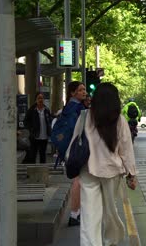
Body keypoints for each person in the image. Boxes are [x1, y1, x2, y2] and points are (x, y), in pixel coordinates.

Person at [79, 82, 137, 245]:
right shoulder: (119, 120)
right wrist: (131, 174)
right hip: (111, 171)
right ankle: (111, 240)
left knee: (89, 214)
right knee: (110, 212)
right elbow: (126, 150)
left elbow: (75, 142)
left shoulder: (85, 117)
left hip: (87, 169)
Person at [55, 81, 87, 226]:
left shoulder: (67, 107)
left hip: (68, 148)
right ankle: (74, 215)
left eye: (84, 89)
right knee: (78, 181)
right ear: (72, 93)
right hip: (76, 148)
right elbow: (79, 130)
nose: (84, 92)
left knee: (77, 180)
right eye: (80, 90)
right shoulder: (77, 109)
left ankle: (77, 212)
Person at [23, 92, 52, 164]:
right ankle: (31, 173)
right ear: (36, 100)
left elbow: (49, 120)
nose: (40, 100)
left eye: (42, 98)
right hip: (35, 137)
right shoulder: (32, 110)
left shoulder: (46, 110)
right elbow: (25, 121)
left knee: (43, 156)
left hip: (44, 137)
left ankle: (43, 172)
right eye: (39, 98)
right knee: (33, 156)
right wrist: (31, 129)